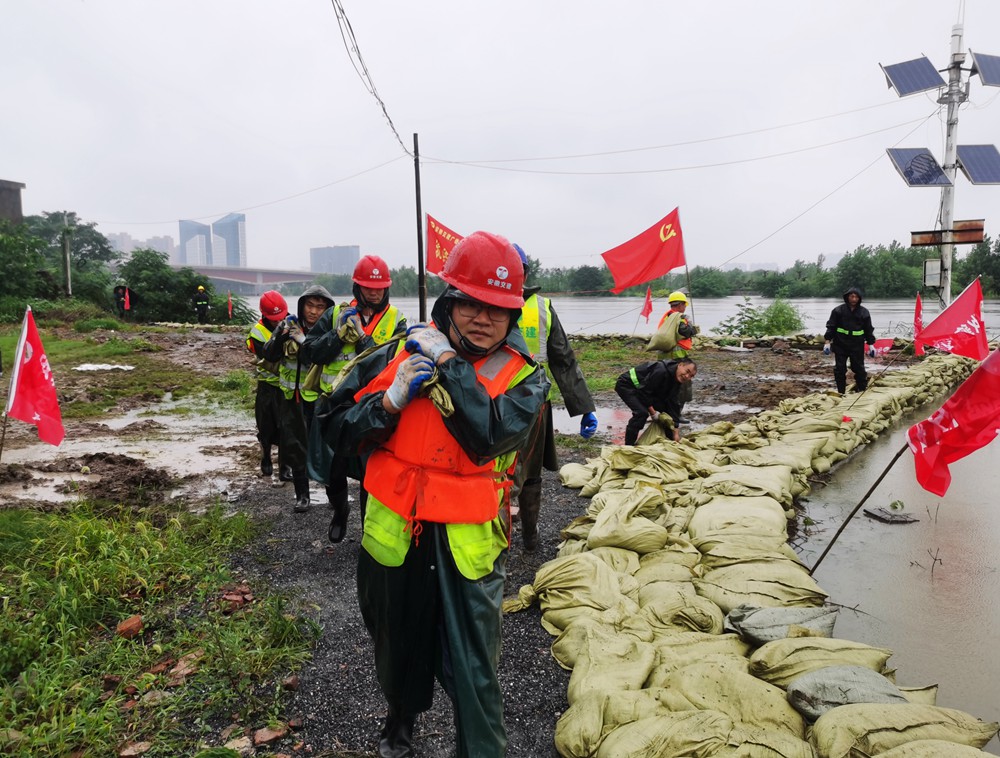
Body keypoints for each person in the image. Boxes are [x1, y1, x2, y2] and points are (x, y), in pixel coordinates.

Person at [316, 231, 548, 758]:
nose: (483, 319)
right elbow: (332, 427)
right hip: (393, 534)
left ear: (513, 317)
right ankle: (398, 726)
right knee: (394, 644)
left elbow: (487, 436)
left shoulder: (525, 381)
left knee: (473, 670)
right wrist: (388, 405)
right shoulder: (393, 358)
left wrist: (449, 365)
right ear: (450, 303)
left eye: (498, 309)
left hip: (467, 548)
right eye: (471, 303)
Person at [303, 254, 407, 542]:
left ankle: (368, 530)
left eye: (379, 288)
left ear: (386, 288)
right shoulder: (335, 314)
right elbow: (310, 352)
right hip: (335, 406)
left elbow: (396, 363)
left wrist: (363, 339)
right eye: (368, 287)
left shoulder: (397, 320)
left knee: (371, 473)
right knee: (332, 472)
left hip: (372, 408)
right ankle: (339, 511)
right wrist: (337, 336)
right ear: (357, 287)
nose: (374, 293)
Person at [511, 242, 597, 551]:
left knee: (530, 472)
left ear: (525, 273)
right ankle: (495, 541)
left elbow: (563, 359)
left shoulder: (542, 307)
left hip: (533, 404)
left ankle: (530, 537)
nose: (510, 276)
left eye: (515, 270)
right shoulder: (478, 305)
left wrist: (584, 406)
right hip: (490, 403)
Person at [262, 284, 335, 512]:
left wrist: (304, 341)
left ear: (327, 310)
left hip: (319, 397)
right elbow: (268, 353)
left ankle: (333, 493)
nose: (313, 312)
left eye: (319, 307)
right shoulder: (288, 323)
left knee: (324, 446)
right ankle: (302, 495)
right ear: (302, 305)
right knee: (295, 445)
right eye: (309, 306)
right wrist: (282, 338)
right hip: (291, 397)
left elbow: (314, 359)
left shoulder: (328, 331)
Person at [246, 290, 288, 478]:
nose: (278, 322)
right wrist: (280, 337)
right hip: (266, 385)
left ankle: (284, 466)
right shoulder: (257, 332)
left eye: (281, 318)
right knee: (265, 425)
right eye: (274, 319)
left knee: (286, 426)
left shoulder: (293, 324)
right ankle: (266, 458)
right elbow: (270, 357)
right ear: (264, 315)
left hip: (286, 387)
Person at [615, 358, 697, 445]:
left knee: (665, 416)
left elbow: (673, 403)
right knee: (641, 413)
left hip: (644, 390)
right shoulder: (661, 370)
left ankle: (672, 441)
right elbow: (644, 393)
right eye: (687, 371)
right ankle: (628, 445)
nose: (687, 376)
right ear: (680, 365)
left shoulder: (677, 378)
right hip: (627, 385)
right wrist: (653, 413)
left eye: (691, 376)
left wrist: (675, 430)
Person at [654, 291, 697, 423]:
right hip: (677, 358)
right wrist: (691, 325)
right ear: (681, 305)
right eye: (684, 304)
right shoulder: (678, 317)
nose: (685, 307)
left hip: (665, 358)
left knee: (665, 386)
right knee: (680, 388)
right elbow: (686, 332)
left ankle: (663, 413)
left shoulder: (667, 316)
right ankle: (676, 415)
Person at [824, 286, 876, 394]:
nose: (854, 299)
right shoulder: (838, 311)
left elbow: (868, 329)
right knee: (840, 369)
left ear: (859, 298)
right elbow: (831, 326)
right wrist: (827, 342)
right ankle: (841, 392)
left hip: (857, 344)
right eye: (852, 296)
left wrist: (871, 344)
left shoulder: (864, 312)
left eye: (856, 297)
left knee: (859, 369)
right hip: (840, 344)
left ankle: (862, 391)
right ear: (847, 297)